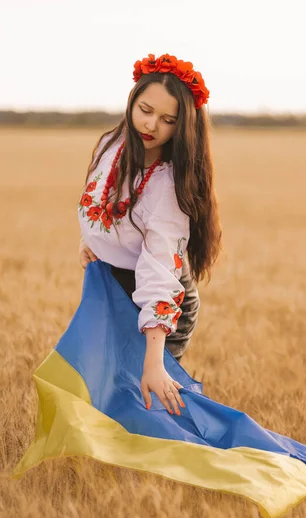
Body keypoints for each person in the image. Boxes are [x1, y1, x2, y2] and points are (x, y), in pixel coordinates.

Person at [77, 53, 222, 418]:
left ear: (181, 127)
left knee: (145, 401)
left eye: (167, 120)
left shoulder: (166, 189)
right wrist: (93, 241)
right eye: (145, 109)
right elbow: (103, 199)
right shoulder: (116, 143)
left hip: (162, 299)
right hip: (119, 286)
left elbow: (159, 272)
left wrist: (154, 361)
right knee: (102, 388)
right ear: (132, 101)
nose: (150, 124)